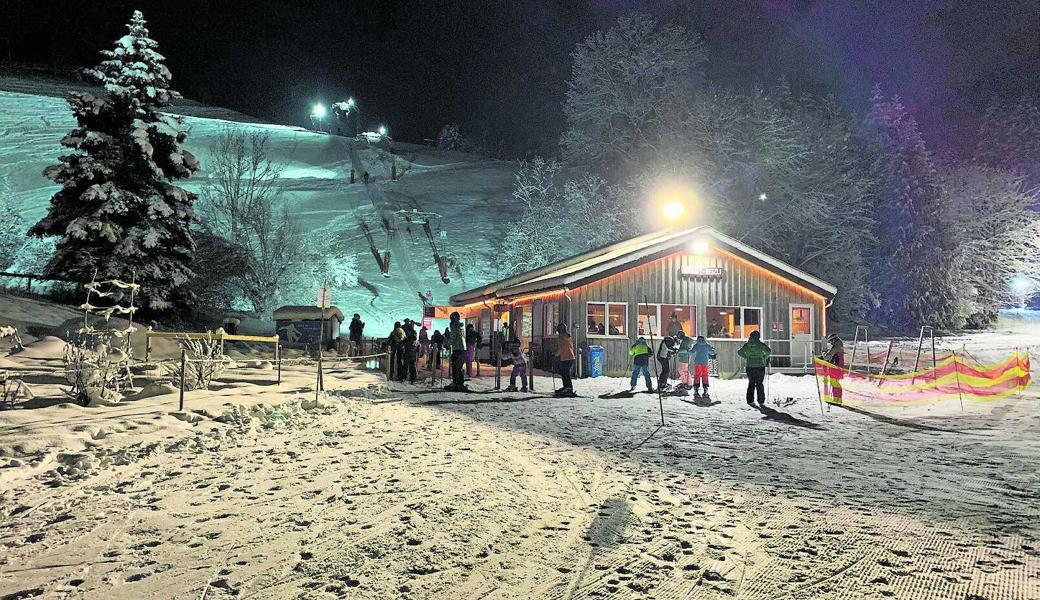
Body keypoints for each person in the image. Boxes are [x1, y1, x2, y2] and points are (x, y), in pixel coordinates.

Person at [737, 330, 772, 406]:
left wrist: (746, 357)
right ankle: (761, 401)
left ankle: (750, 400)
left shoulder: (747, 345)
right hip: (760, 366)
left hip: (750, 366)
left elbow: (739, 352)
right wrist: (764, 357)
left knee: (751, 383)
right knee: (759, 384)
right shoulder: (761, 345)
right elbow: (769, 351)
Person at [446, 312, 467, 391]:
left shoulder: (455, 327)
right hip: (463, 349)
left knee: (455, 367)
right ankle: (460, 383)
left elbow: (452, 338)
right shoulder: (461, 327)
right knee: (459, 367)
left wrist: (447, 343)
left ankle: (456, 383)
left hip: (457, 349)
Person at [821, 333, 845, 403]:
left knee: (834, 383)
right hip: (838, 366)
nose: (830, 343)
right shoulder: (839, 345)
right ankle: (837, 399)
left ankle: (837, 399)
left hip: (836, 367)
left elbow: (827, 356)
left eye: (831, 341)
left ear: (834, 340)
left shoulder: (836, 347)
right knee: (834, 382)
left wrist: (824, 354)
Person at [553, 323, 576, 397]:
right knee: (564, 372)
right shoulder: (568, 336)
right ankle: (567, 387)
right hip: (570, 357)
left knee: (565, 373)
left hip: (566, 357)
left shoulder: (562, 338)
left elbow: (561, 348)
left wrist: (555, 354)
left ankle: (568, 387)